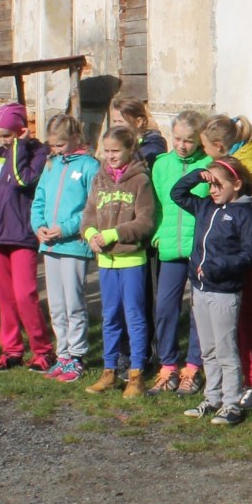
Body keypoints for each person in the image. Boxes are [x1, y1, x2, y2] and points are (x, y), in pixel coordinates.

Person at [171, 158, 252, 426]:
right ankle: (212, 398)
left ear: (237, 184)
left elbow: (249, 254)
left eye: (218, 184)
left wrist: (217, 266)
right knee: (208, 349)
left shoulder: (244, 214)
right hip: (200, 289)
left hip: (224, 292)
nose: (212, 190)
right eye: (209, 184)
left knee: (225, 349)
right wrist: (198, 176)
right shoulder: (205, 207)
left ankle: (231, 403)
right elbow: (177, 194)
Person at [0, 103, 55, 373]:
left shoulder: (37, 153)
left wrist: (19, 145)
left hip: (21, 234)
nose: (3, 140)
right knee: (4, 297)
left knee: (25, 295)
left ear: (21, 131)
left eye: (7, 135)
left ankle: (42, 349)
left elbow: (21, 180)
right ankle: (12, 349)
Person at [81, 127, 156, 399]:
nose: (110, 156)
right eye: (107, 151)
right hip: (106, 262)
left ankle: (136, 374)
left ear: (129, 149)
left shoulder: (140, 180)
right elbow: (88, 215)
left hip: (132, 259)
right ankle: (109, 370)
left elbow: (145, 221)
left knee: (134, 317)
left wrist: (114, 234)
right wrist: (91, 234)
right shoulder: (99, 179)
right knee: (110, 317)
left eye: (116, 151)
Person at [201, 115, 252, 409]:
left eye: (205, 148)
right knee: (235, 323)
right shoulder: (235, 163)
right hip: (233, 253)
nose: (204, 155)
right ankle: (229, 382)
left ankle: (250, 382)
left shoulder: (246, 163)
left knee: (247, 319)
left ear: (219, 146)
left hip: (249, 255)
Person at [31, 114, 100, 385]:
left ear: (74, 138)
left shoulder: (89, 166)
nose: (56, 150)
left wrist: (67, 228)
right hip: (50, 245)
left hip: (74, 245)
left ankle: (77, 355)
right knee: (57, 304)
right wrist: (38, 226)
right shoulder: (51, 164)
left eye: (60, 145)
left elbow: (92, 207)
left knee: (74, 303)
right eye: (53, 145)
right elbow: (39, 199)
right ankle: (62, 354)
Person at [148, 110, 212, 397]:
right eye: (177, 139)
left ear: (199, 140)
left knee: (199, 310)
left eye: (188, 140)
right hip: (170, 248)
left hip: (199, 249)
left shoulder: (209, 164)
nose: (182, 146)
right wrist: (158, 233)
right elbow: (156, 204)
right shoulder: (161, 164)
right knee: (165, 308)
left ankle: (193, 367)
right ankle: (168, 366)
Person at [111, 97, 169, 164]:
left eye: (120, 121)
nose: (116, 126)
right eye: (114, 121)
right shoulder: (115, 144)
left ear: (138, 122)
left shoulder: (153, 145)